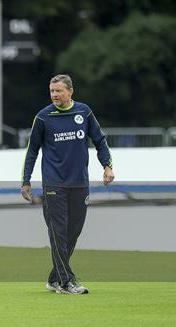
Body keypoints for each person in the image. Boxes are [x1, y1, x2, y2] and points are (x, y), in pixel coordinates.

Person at [21, 74, 115, 294]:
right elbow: (31, 151)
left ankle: (54, 279)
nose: (54, 94)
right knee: (58, 233)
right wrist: (26, 181)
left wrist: (107, 166)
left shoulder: (84, 112)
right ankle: (66, 282)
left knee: (73, 232)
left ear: (70, 92)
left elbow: (100, 141)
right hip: (54, 184)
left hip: (79, 183)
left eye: (59, 91)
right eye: (52, 91)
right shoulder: (43, 117)